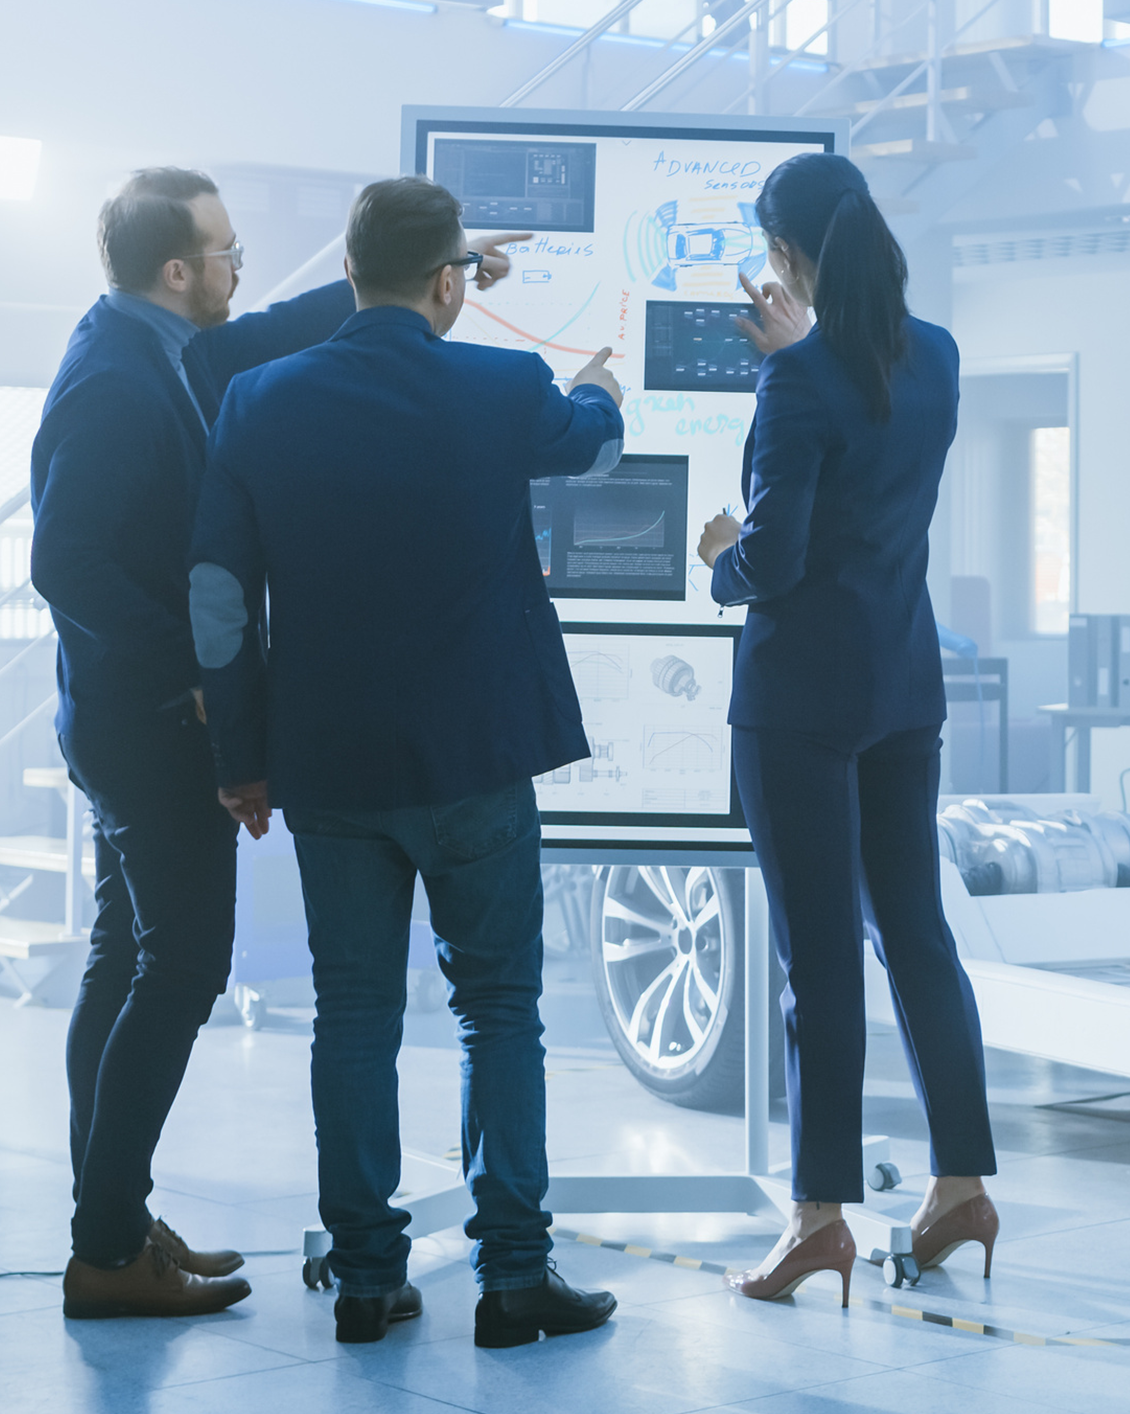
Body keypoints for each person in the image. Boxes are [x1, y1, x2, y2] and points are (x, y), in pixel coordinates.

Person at [33, 166, 529, 1320]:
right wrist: (198, 677)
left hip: (122, 716)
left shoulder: (153, 343)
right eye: (225, 249)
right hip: (148, 723)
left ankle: (109, 1220)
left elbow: (265, 331)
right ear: (176, 269)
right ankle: (106, 1248)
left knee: (125, 960)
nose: (239, 264)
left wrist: (410, 281)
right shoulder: (115, 378)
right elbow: (67, 562)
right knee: (182, 963)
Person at [188, 175, 623, 1348]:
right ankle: (515, 1277)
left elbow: (220, 599)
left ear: (345, 272)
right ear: (450, 284)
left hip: (327, 767)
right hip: (478, 754)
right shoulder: (502, 384)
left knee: (355, 1015)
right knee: (500, 1010)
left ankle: (372, 1277)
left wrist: (242, 755)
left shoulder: (258, 400)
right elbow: (584, 443)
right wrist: (600, 392)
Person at [696, 152, 999, 1304]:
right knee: (916, 937)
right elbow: (872, 437)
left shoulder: (800, 381)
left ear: (784, 257)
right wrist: (804, 353)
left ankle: (818, 1216)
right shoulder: (941, 358)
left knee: (815, 959)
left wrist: (723, 555)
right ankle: (960, 1186)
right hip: (900, 689)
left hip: (800, 704)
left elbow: (771, 561)